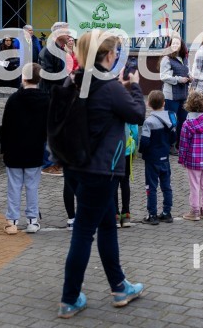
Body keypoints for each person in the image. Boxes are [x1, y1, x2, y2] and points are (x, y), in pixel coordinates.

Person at [58, 30, 146, 319]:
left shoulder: (72, 82)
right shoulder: (110, 88)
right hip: (102, 170)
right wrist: (133, 87)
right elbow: (137, 114)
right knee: (84, 233)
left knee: (107, 226)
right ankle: (70, 297)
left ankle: (119, 286)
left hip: (76, 166)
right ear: (109, 56)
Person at [0, 63, 48, 234]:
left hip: (14, 149)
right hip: (34, 149)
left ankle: (12, 220)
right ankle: (32, 220)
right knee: (32, 186)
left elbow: (5, 126)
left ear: (23, 77)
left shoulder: (14, 99)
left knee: (14, 186)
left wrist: (3, 148)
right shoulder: (45, 99)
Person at [178, 91, 203, 221]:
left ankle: (194, 211)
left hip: (193, 160)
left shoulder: (187, 124)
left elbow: (183, 144)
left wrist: (182, 159)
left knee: (194, 185)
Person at [139, 90, 175, 225]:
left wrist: (142, 151)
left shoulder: (149, 122)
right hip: (165, 157)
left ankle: (152, 214)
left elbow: (144, 142)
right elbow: (173, 138)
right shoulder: (171, 118)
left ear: (148, 104)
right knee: (167, 186)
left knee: (151, 187)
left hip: (152, 159)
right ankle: (167, 212)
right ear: (164, 103)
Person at [40, 21, 70, 176]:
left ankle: (56, 162)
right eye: (67, 31)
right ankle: (47, 165)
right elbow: (48, 76)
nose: (69, 34)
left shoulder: (59, 50)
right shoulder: (48, 51)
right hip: (50, 97)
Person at [160, 36, 190, 155]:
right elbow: (163, 76)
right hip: (171, 95)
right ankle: (169, 144)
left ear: (181, 45)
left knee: (183, 121)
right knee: (171, 121)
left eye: (177, 43)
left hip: (184, 93)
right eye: (173, 43)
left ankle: (180, 143)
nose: (175, 45)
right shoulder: (166, 59)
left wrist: (190, 77)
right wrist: (179, 79)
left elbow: (188, 71)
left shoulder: (184, 58)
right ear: (170, 45)